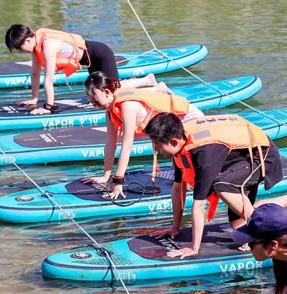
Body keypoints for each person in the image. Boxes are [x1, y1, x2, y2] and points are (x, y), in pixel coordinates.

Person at [143, 112, 287, 258]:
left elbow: (199, 204)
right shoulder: (181, 146)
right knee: (237, 224)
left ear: (173, 142)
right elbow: (177, 188)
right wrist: (175, 227)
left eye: (157, 145)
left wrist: (194, 248)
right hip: (240, 159)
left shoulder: (203, 154)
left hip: (261, 156)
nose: (155, 150)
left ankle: (259, 233)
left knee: (221, 186)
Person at [79, 71, 204, 200]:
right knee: (178, 169)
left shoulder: (128, 107)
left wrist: (118, 181)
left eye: (92, 94)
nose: (89, 99)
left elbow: (127, 146)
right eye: (87, 95)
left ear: (106, 93)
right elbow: (111, 145)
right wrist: (106, 176)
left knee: (186, 171)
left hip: (189, 118)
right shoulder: (110, 110)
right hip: (170, 126)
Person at [4, 24, 167, 115]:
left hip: (101, 55)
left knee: (113, 92)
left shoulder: (47, 45)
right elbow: (35, 73)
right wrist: (33, 99)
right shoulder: (36, 46)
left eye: (19, 48)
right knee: (99, 98)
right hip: (90, 61)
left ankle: (155, 86)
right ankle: (147, 80)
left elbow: (48, 79)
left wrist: (48, 106)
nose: (20, 51)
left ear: (27, 40)